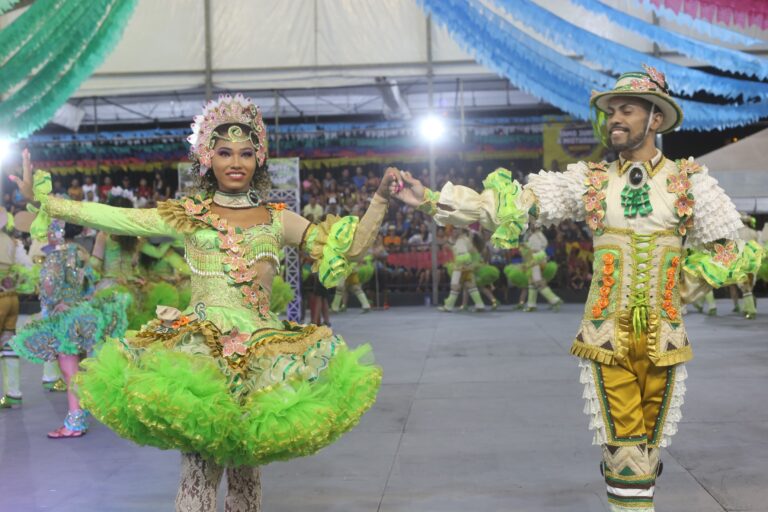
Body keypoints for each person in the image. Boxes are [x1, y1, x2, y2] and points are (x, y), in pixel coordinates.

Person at [393, 66, 762, 512]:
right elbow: (517, 206)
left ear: (655, 120)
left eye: (626, 110)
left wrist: (681, 288)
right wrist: (435, 200)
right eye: (610, 112)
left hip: (664, 340)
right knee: (625, 451)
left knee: (645, 450)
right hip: (607, 338)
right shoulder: (590, 181)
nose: (615, 120)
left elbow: (733, 249)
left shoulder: (690, 181)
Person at [13, 94, 400, 511]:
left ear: (260, 159)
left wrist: (379, 200)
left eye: (246, 153)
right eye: (224, 152)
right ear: (206, 158)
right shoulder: (188, 213)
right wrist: (45, 202)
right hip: (200, 358)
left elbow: (350, 249)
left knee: (247, 483)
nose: (236, 162)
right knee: (197, 480)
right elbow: (116, 217)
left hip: (261, 357)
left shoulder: (278, 218)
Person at [10, 219, 130, 437]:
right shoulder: (80, 252)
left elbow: (48, 284)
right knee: (75, 368)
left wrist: (53, 299)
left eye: (50, 229)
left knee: (69, 371)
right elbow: (90, 281)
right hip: (79, 313)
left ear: (58, 232)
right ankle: (79, 416)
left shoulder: (57, 255)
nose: (46, 233)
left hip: (63, 317)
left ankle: (75, 422)